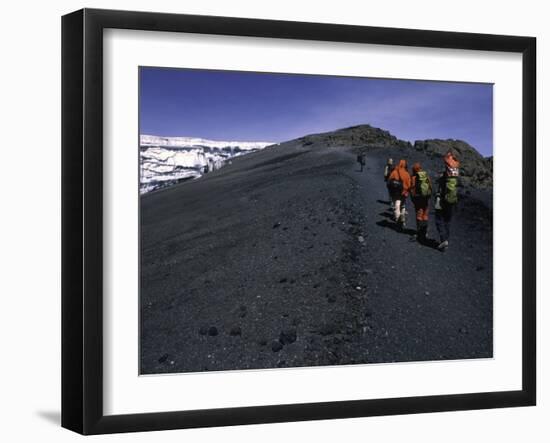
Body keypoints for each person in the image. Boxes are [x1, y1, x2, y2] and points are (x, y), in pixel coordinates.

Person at [435, 150, 460, 251]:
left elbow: (440, 186)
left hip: (441, 200)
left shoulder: (445, 175)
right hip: (452, 201)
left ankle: (443, 239)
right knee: (447, 221)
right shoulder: (456, 174)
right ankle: (446, 241)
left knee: (438, 219)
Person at [410, 162, 433, 243]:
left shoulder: (414, 178)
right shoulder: (426, 175)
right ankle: (425, 232)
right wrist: (429, 196)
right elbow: (430, 186)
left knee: (419, 215)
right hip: (426, 198)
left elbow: (412, 190)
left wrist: (413, 199)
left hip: (418, 199)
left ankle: (419, 233)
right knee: (425, 215)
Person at [387, 159, 411, 229]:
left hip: (395, 192)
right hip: (404, 192)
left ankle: (397, 219)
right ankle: (403, 219)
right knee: (403, 206)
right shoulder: (407, 174)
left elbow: (389, 181)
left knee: (396, 205)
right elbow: (409, 184)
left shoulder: (395, 172)